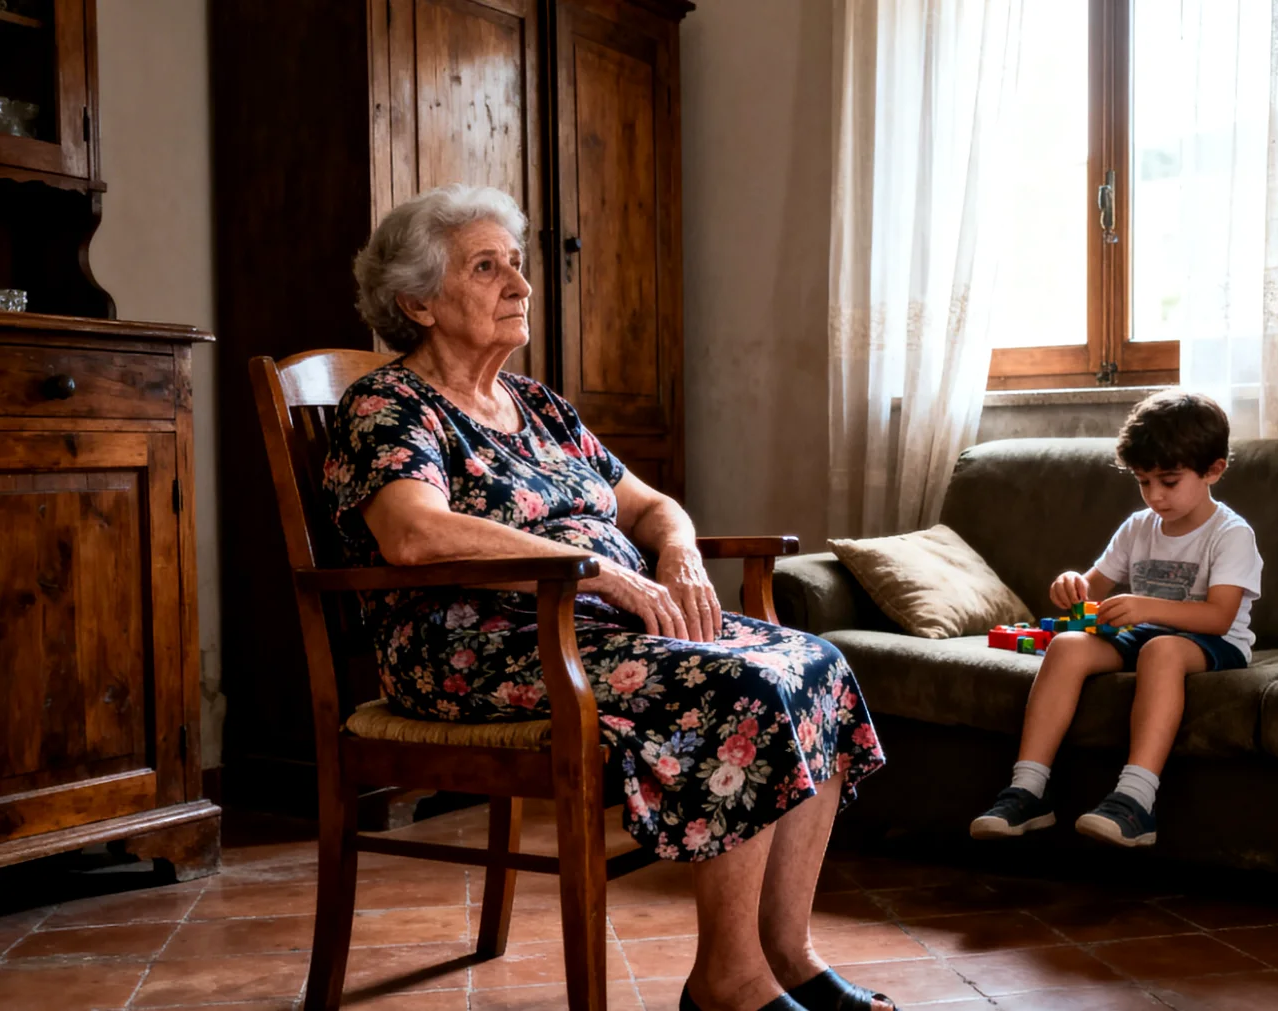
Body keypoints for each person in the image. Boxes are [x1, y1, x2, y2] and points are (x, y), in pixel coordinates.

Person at [325, 184, 891, 1011]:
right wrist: (596, 570)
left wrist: (681, 554)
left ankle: (787, 953)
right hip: (477, 643)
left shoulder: (542, 409)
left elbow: (649, 503)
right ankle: (727, 985)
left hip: (598, 624)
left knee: (818, 664)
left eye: (516, 265)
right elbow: (416, 533)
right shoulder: (389, 405)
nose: (520, 284)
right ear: (418, 302)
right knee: (740, 690)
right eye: (487, 268)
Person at [969, 390, 1262, 849]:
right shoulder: (1137, 526)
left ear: (1214, 470)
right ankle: (1028, 790)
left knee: (1160, 650)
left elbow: (1220, 617)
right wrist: (1069, 584)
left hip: (1212, 642)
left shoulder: (1230, 534)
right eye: (1144, 482)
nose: (1155, 496)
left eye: (1168, 481)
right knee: (1067, 646)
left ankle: (1136, 800)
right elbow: (1092, 589)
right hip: (1144, 633)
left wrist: (1146, 607)